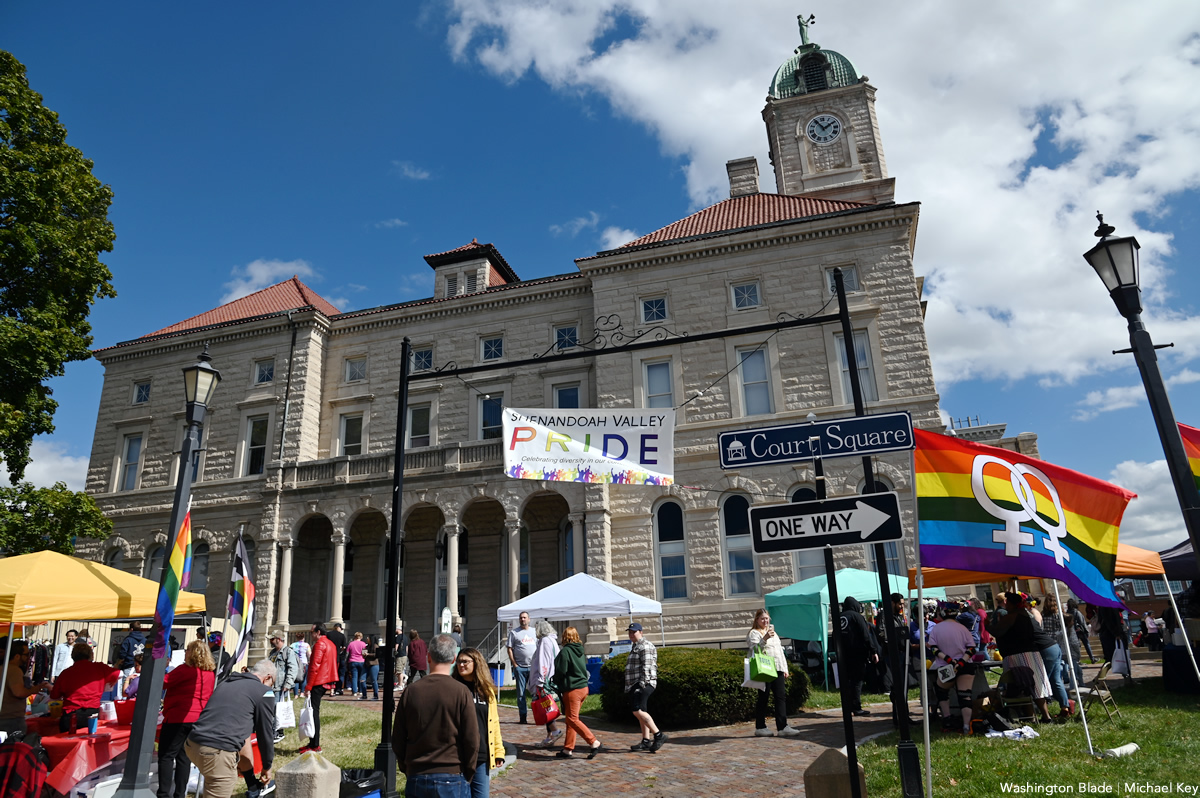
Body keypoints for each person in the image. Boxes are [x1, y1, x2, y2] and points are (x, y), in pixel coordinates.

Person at [392, 633, 478, 797]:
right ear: (454, 659)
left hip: (418, 773)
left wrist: (407, 767)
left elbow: (398, 737)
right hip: (453, 772)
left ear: (428, 657)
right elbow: (472, 739)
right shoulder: (461, 692)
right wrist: (468, 771)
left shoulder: (411, 691)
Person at [184, 659, 276, 798]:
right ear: (268, 677)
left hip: (192, 744)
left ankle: (253, 788)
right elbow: (265, 732)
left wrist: (251, 783)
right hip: (216, 751)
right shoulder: (264, 692)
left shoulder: (227, 683)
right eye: (272, 683)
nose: (270, 687)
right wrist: (267, 766)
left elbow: (243, 740)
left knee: (211, 782)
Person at [158, 640, 216, 798]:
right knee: (184, 757)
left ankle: (163, 794)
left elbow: (162, 683)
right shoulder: (210, 673)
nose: (185, 652)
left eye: (187, 650)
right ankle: (179, 794)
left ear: (193, 653)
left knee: (166, 755)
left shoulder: (185, 670)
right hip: (197, 718)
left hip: (179, 716)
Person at [985, 592, 1054, 723]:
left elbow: (997, 631)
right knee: (1035, 685)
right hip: (1031, 653)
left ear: (1010, 604)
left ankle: (1034, 716)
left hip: (1018, 655)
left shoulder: (1012, 616)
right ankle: (1045, 716)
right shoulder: (1026, 614)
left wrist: (987, 625)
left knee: (1024, 685)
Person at [453, 647, 506, 796]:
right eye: (458, 662)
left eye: (465, 661)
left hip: (481, 755)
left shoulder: (486, 691)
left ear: (476, 663)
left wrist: (498, 751)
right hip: (458, 755)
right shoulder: (454, 688)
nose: (461, 665)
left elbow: (494, 723)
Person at [746, 609, 799, 738]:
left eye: (767, 618)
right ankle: (760, 726)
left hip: (777, 668)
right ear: (757, 620)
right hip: (765, 668)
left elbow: (779, 652)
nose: (765, 621)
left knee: (780, 697)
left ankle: (782, 726)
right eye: (762, 618)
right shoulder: (754, 633)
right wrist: (764, 638)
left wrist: (784, 668)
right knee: (763, 697)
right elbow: (755, 649)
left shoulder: (774, 634)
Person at [552, 626, 602, 758]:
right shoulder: (580, 650)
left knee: (572, 719)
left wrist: (555, 679)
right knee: (571, 719)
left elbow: (561, 670)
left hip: (572, 689)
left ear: (564, 637)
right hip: (583, 688)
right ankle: (568, 749)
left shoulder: (565, 651)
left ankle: (593, 741)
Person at [927, 611, 980, 734]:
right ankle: (966, 725)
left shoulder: (936, 628)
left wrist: (950, 660)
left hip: (946, 666)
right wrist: (961, 662)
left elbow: (934, 649)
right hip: (965, 665)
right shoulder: (963, 628)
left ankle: (947, 718)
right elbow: (972, 648)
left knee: (942, 691)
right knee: (965, 695)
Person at [50, 642, 119, 733]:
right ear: (91, 654)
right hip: (92, 713)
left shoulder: (66, 673)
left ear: (73, 656)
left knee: (67, 743)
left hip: (71, 714)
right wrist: (113, 680)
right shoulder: (100, 668)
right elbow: (117, 673)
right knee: (89, 743)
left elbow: (54, 695)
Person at [625, 623, 667, 752]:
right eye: (630, 632)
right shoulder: (636, 646)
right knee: (642, 711)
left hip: (643, 683)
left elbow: (647, 667)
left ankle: (659, 735)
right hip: (635, 683)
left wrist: (642, 685)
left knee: (637, 710)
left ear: (641, 632)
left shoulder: (645, 646)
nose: (632, 634)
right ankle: (646, 740)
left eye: (634, 632)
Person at [838, 597, 882, 717]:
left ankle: (847, 707)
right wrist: (873, 651)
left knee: (846, 682)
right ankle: (856, 707)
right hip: (857, 654)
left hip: (843, 655)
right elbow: (865, 635)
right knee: (857, 681)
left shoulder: (839, 617)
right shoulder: (857, 617)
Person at [300, 623, 339, 753]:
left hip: (319, 681)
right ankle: (312, 743)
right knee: (314, 712)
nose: (311, 635)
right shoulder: (331, 644)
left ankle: (315, 745)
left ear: (318, 632)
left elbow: (314, 666)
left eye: (312, 632)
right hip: (327, 680)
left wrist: (308, 686)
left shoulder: (320, 644)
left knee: (313, 713)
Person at [0, 641, 48, 735]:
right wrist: (34, 689)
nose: (28, 658)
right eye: (26, 654)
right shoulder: (14, 670)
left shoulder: (3, 668)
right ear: (17, 656)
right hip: (11, 718)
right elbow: (19, 692)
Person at [530, 620, 562, 748]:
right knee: (547, 706)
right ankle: (550, 737)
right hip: (551, 678)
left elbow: (543, 661)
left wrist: (540, 680)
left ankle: (555, 731)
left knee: (544, 707)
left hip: (544, 680)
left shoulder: (544, 641)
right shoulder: (553, 640)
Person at [1042, 594, 1082, 692]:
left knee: (1052, 668)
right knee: (1065, 665)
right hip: (1058, 643)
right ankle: (1067, 687)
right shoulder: (1059, 615)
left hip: (1046, 643)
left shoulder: (1042, 614)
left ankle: (1051, 689)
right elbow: (1061, 630)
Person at [505, 612, 536, 724]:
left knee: (536, 693)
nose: (523, 619)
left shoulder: (534, 632)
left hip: (533, 667)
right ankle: (523, 717)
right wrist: (515, 664)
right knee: (521, 694)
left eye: (524, 617)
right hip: (520, 668)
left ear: (529, 619)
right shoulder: (514, 633)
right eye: (521, 618)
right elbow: (509, 648)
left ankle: (539, 715)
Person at [267, 632, 298, 742]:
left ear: (278, 639)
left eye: (272, 639)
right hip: (271, 686)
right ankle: (272, 731)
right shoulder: (272, 653)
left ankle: (278, 732)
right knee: (271, 710)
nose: (270, 641)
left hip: (280, 687)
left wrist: (288, 684)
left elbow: (293, 669)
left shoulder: (288, 652)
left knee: (277, 710)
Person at [116, 621, 146, 695]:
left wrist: (118, 663)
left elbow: (122, 654)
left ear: (131, 629)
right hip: (142, 667)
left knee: (125, 687)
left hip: (129, 665)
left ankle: (124, 704)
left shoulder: (128, 639)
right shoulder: (145, 640)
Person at [1068, 599, 1095, 664]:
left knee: (1077, 646)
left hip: (1072, 631)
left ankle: (1077, 660)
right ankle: (1092, 658)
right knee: (1086, 644)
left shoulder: (1067, 612)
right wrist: (1086, 631)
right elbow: (1082, 622)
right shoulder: (1077, 612)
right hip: (1080, 631)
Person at [326, 623, 348, 696]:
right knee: (340, 674)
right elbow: (344, 647)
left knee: (330, 672)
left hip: (329, 656)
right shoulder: (341, 636)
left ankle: (329, 688)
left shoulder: (328, 634)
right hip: (338, 656)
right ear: (339, 628)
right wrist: (340, 650)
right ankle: (338, 689)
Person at [347, 632, 368, 699]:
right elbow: (364, 653)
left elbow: (347, 653)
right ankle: (361, 690)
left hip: (353, 661)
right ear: (361, 637)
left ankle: (354, 691)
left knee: (354, 677)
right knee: (361, 677)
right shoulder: (363, 644)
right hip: (361, 661)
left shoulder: (351, 644)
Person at [291, 632, 310, 698]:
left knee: (296, 679)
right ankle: (302, 693)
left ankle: (296, 694)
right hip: (304, 663)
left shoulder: (292, 645)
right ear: (303, 637)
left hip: (295, 663)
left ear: (296, 638)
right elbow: (309, 654)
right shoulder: (306, 645)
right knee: (304, 679)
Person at [362, 635, 381, 700]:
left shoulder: (375, 646)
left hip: (374, 665)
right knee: (362, 679)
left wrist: (368, 654)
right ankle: (364, 695)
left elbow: (377, 655)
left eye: (368, 638)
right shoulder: (367, 646)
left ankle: (376, 696)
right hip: (366, 665)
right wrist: (364, 655)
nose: (367, 639)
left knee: (374, 680)